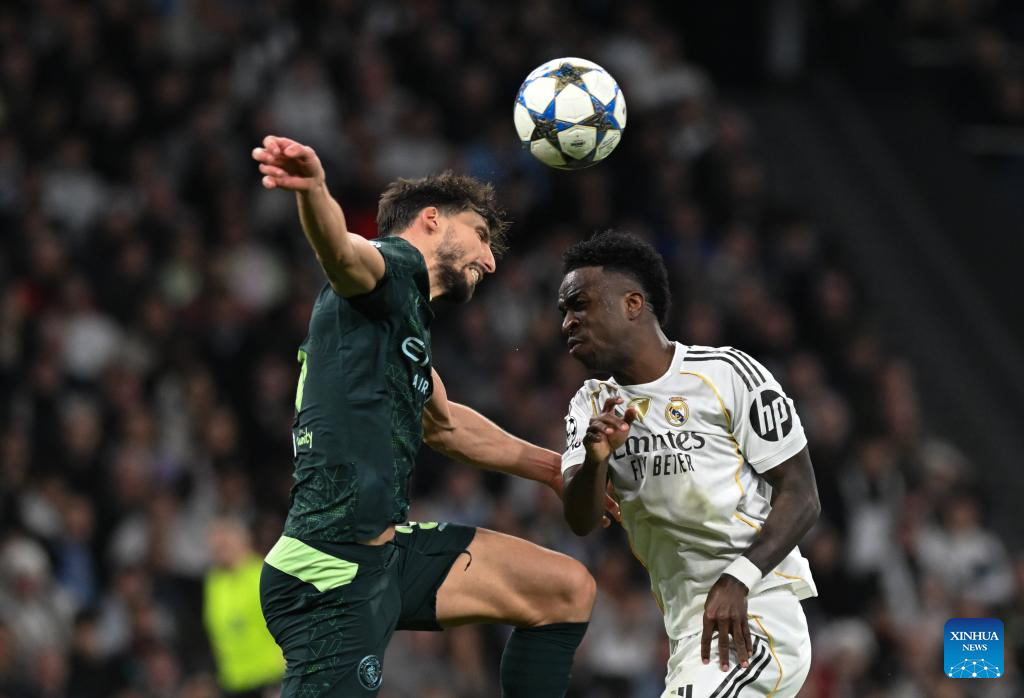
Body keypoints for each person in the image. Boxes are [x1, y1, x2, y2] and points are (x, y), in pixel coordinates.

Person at [251, 135, 604, 697]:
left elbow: (445, 425)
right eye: (481, 235)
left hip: (386, 553)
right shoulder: (392, 268)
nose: (490, 260)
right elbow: (342, 253)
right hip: (330, 569)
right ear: (432, 220)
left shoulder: (402, 321)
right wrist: (314, 190)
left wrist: (552, 468)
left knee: (563, 589)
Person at [559, 231, 820, 698]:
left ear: (633, 303)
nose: (567, 322)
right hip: (689, 634)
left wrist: (739, 578)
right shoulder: (590, 405)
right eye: (563, 311)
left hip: (756, 615)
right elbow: (581, 520)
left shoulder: (727, 374)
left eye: (579, 305)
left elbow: (802, 494)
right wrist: (597, 458)